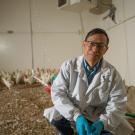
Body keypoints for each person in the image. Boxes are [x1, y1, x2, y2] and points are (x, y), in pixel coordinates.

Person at [43, 28, 134, 135]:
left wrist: (102, 122)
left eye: (100, 46)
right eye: (91, 44)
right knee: (54, 115)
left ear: (106, 49)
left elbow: (117, 102)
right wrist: (77, 116)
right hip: (73, 109)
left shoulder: (112, 74)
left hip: (98, 115)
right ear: (84, 44)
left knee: (117, 130)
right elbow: (58, 93)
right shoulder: (69, 66)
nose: (95, 49)